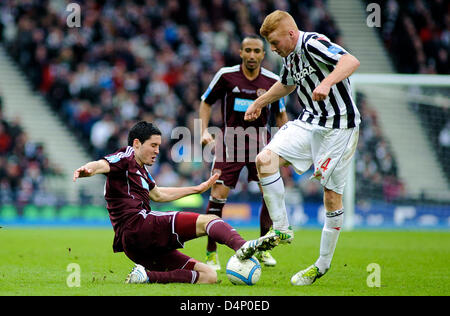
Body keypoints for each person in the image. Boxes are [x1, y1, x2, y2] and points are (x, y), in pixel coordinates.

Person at [73, 121, 281, 284]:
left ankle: (146, 276)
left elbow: (158, 195)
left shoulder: (142, 171)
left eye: (158, 146)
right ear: (136, 143)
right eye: (153, 145)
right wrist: (88, 169)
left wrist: (196, 189)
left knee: (208, 276)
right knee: (208, 221)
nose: (157, 151)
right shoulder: (126, 156)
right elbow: (102, 164)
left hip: (134, 246)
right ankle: (244, 246)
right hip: (139, 226)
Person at [244, 10, 361, 285]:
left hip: (340, 127)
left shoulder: (312, 42)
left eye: (274, 42)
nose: (272, 49)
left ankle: (321, 265)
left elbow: (350, 60)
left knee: (331, 196)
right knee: (265, 160)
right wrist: (259, 103)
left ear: (291, 34)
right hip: (310, 121)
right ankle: (282, 230)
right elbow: (286, 84)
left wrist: (327, 82)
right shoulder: (290, 56)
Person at [199, 35, 289, 269]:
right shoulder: (226, 75)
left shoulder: (272, 80)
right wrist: (203, 131)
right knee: (218, 196)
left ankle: (262, 249)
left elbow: (280, 114)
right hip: (230, 144)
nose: (251, 55)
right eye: (247, 50)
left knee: (270, 195)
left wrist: (285, 143)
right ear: (240, 52)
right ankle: (211, 253)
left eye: (256, 51)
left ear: (263, 54)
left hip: (262, 146)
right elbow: (206, 101)